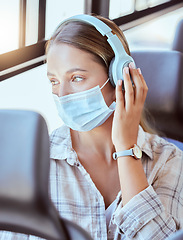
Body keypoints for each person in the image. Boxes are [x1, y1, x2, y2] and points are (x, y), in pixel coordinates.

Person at [0, 14, 183, 240]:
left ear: (119, 76)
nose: (62, 95)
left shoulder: (169, 160)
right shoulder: (33, 164)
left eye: (76, 78)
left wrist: (126, 149)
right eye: (54, 81)